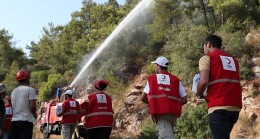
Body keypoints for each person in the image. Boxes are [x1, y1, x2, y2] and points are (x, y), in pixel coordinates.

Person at [196, 35, 242, 139]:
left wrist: (199, 94)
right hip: (235, 107)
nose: (204, 49)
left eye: (204, 46)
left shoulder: (206, 58)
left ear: (208, 44)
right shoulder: (233, 60)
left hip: (218, 106)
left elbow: (203, 81)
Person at [139, 56, 188, 139]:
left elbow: (142, 98)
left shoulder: (152, 78)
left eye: (155, 65)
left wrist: (155, 103)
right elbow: (184, 99)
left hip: (160, 114)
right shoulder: (175, 79)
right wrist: (174, 104)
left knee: (166, 137)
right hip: (173, 115)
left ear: (158, 66)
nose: (155, 67)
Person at [10, 70, 37, 139]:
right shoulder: (30, 90)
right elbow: (33, 106)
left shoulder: (14, 91)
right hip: (26, 121)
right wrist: (34, 115)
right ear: (27, 78)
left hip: (14, 121)